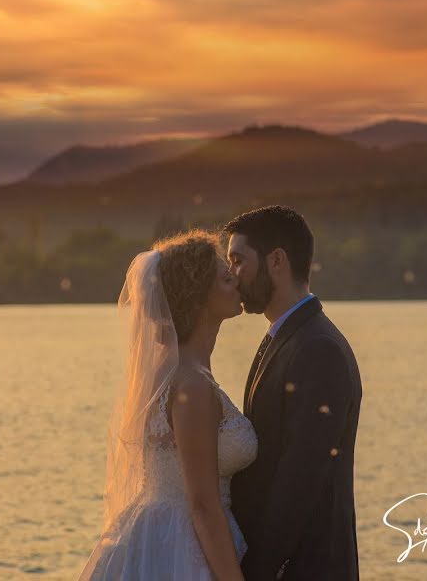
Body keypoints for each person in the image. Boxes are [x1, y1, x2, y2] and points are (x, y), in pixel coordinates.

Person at [79, 229, 257, 581]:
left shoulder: (168, 372)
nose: (236, 280)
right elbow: (203, 506)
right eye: (225, 278)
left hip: (153, 536)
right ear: (199, 296)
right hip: (183, 549)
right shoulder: (192, 385)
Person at [226, 205, 362, 580]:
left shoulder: (319, 349)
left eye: (238, 260)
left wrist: (256, 572)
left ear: (277, 261)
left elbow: (300, 481)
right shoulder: (284, 338)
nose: (232, 274)